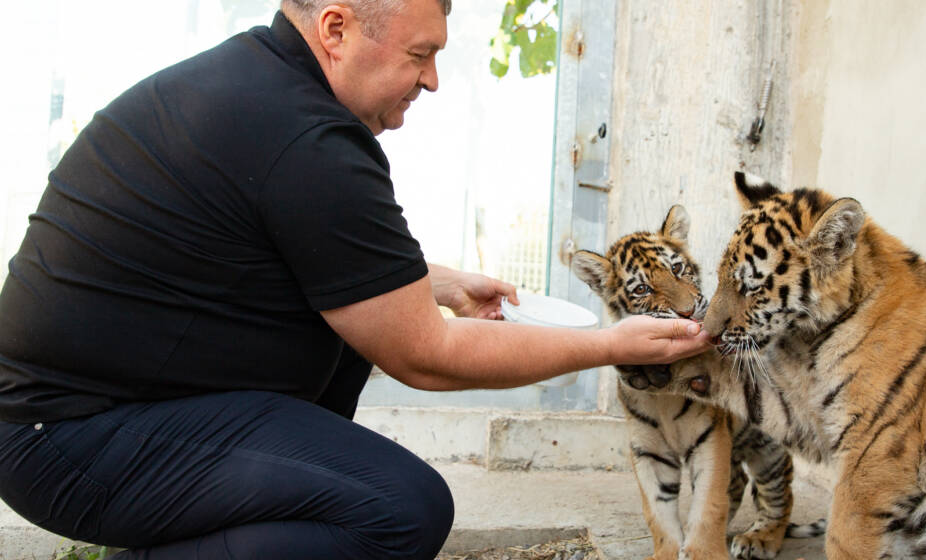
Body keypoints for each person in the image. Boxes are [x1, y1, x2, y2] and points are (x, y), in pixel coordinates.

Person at [0, 0, 711, 558]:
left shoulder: (257, 87)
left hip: (71, 418)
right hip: (63, 442)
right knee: (401, 510)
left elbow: (282, 248)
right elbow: (426, 356)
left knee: (341, 346)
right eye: (420, 54)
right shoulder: (308, 141)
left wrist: (435, 282)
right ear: (336, 28)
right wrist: (614, 345)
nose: (432, 79)